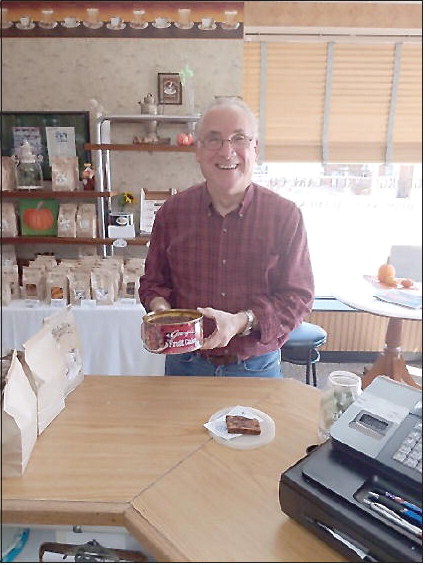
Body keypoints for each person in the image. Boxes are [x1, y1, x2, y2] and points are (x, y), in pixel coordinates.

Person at [139, 97, 314, 377]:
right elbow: (153, 283)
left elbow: (298, 298)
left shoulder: (285, 216)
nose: (226, 151)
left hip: (255, 367)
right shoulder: (172, 213)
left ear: (255, 149)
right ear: (197, 150)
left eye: (239, 139)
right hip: (184, 364)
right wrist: (162, 313)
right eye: (213, 139)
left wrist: (243, 321)